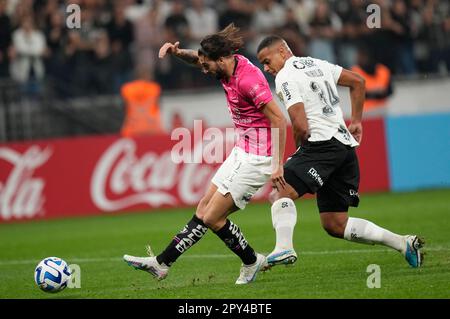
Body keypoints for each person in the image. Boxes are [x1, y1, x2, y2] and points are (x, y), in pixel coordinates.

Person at [123, 24, 287, 284]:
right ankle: (162, 263)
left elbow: (279, 119)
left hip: (260, 156)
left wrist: (277, 164)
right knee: (203, 209)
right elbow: (198, 58)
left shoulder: (248, 80)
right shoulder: (224, 66)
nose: (203, 69)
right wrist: (177, 53)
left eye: (206, 65)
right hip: (242, 149)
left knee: (213, 217)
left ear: (221, 60)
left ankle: (251, 261)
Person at [256, 35, 424, 269]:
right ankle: (403, 243)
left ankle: (284, 248)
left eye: (267, 60)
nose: (266, 68)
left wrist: (300, 150)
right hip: (344, 148)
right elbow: (358, 82)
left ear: (283, 52)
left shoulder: (285, 75)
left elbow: (301, 125)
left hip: (321, 146)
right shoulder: (317, 64)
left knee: (278, 192)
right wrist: (356, 121)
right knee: (335, 223)